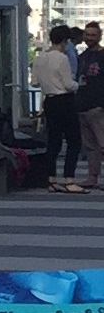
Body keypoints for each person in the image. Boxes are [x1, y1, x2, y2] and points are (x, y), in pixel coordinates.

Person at [35, 23, 81, 190]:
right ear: (64, 40)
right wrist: (80, 85)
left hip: (49, 101)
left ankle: (51, 179)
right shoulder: (62, 58)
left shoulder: (40, 58)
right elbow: (69, 84)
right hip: (65, 101)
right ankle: (69, 179)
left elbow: (34, 82)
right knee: (74, 140)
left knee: (53, 140)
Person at [76, 22, 104, 191]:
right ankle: (92, 177)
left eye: (93, 35)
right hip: (83, 105)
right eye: (87, 34)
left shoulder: (102, 56)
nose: (89, 38)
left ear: (99, 36)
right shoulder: (83, 56)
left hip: (98, 106)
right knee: (90, 146)